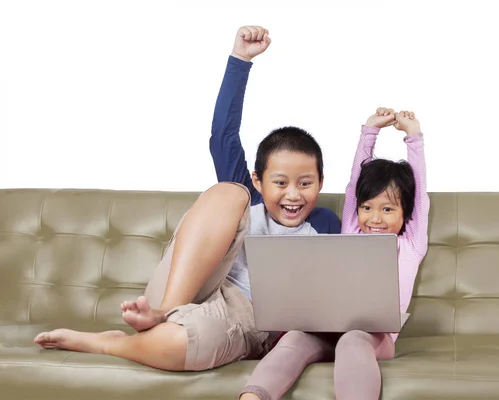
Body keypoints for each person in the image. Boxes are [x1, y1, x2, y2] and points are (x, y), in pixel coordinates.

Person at [33, 25, 340, 372]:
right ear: (260, 179)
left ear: (321, 182)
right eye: (281, 182)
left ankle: (115, 341)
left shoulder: (326, 223)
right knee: (228, 192)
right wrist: (240, 60)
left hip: (241, 316)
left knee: (176, 344)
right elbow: (222, 133)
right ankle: (163, 314)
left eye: (305, 183)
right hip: (185, 288)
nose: (293, 195)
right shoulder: (247, 193)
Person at [240, 108, 430, 400]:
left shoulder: (411, 245)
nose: (375, 219)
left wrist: (413, 138)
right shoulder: (353, 231)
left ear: (406, 214)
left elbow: (420, 195)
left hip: (373, 339)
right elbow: (354, 185)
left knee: (353, 340)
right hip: (328, 331)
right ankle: (252, 397)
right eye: (367, 208)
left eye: (388, 209)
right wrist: (369, 131)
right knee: (293, 337)